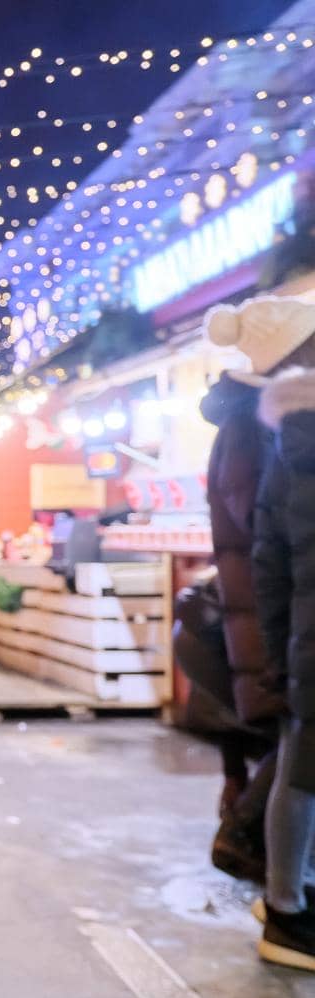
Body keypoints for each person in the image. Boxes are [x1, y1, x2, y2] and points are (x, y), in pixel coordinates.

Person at [200, 297, 299, 884]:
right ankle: (245, 838)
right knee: (296, 731)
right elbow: (272, 526)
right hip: (267, 609)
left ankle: (256, 842)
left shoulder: (253, 424)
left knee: (295, 733)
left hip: (265, 605)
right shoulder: (253, 430)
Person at [250, 343, 315, 973]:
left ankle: (289, 901)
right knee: (300, 776)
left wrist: (279, 651)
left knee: (300, 772)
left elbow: (267, 567)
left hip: (304, 642)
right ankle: (287, 909)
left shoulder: (285, 455)